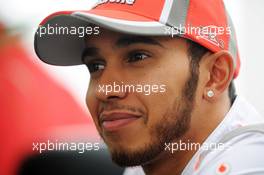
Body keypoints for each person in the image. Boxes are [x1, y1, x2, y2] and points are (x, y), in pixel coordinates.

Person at [34, 0, 264, 174]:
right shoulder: (151, 158)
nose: (105, 89)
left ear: (215, 76)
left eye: (137, 57)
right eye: (95, 65)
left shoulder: (251, 163)